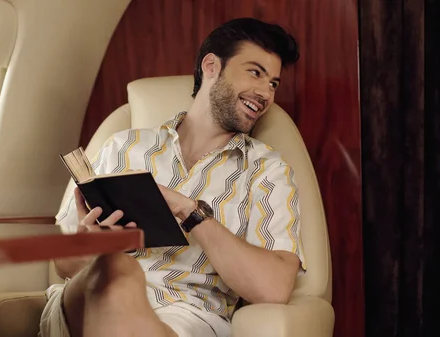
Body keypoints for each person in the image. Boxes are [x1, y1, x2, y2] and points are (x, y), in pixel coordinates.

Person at [40, 17, 306, 337]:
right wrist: (88, 246)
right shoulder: (122, 146)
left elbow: (273, 288)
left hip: (186, 317)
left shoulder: (268, 170)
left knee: (121, 281)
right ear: (211, 67)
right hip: (88, 300)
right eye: (255, 72)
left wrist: (188, 210)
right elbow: (64, 266)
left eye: (273, 83)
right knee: (116, 270)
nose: (266, 92)